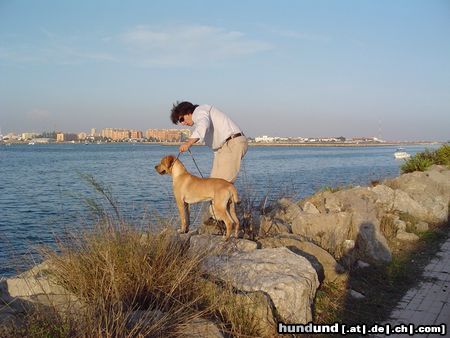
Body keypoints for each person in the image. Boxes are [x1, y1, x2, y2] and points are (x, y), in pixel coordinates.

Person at [170, 101, 248, 183]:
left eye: (182, 119)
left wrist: (188, 143)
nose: (183, 123)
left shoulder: (199, 111)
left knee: (221, 185)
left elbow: (203, 125)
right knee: (212, 184)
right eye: (180, 122)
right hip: (224, 147)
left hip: (232, 142)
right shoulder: (200, 117)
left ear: (188, 112)